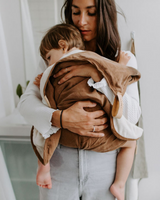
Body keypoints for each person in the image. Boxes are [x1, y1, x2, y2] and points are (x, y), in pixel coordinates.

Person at [18, 0, 141, 200]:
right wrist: (62, 118)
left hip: (105, 165)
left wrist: (97, 74)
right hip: (59, 163)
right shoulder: (54, 57)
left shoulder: (121, 60)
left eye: (90, 13)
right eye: (76, 12)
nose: (81, 21)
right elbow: (25, 105)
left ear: (104, 15)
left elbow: (132, 116)